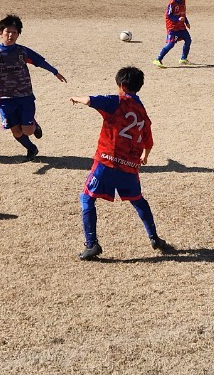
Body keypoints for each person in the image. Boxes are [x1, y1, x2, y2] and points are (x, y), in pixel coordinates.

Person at [70, 66, 177, 260]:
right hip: (129, 166)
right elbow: (149, 139)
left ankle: (92, 244)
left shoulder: (115, 101)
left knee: (87, 198)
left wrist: (76, 98)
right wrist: (145, 155)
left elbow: (89, 100)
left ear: (120, 84)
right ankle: (154, 237)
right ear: (139, 86)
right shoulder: (142, 111)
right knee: (138, 201)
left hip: (107, 163)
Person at [0, 14, 67, 159]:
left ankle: (34, 125)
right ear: (1, 33)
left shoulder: (22, 51)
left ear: (18, 34)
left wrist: (54, 72)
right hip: (5, 98)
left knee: (28, 130)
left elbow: (39, 61)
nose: (11, 35)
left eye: (14, 32)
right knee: (16, 131)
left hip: (24, 95)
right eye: (7, 32)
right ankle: (31, 149)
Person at [153, 0, 192, 66]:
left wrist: (187, 22)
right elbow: (168, 15)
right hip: (173, 28)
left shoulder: (183, 1)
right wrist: (178, 19)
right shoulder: (172, 3)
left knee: (188, 40)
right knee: (171, 44)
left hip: (181, 27)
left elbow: (183, 13)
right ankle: (158, 59)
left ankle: (183, 59)